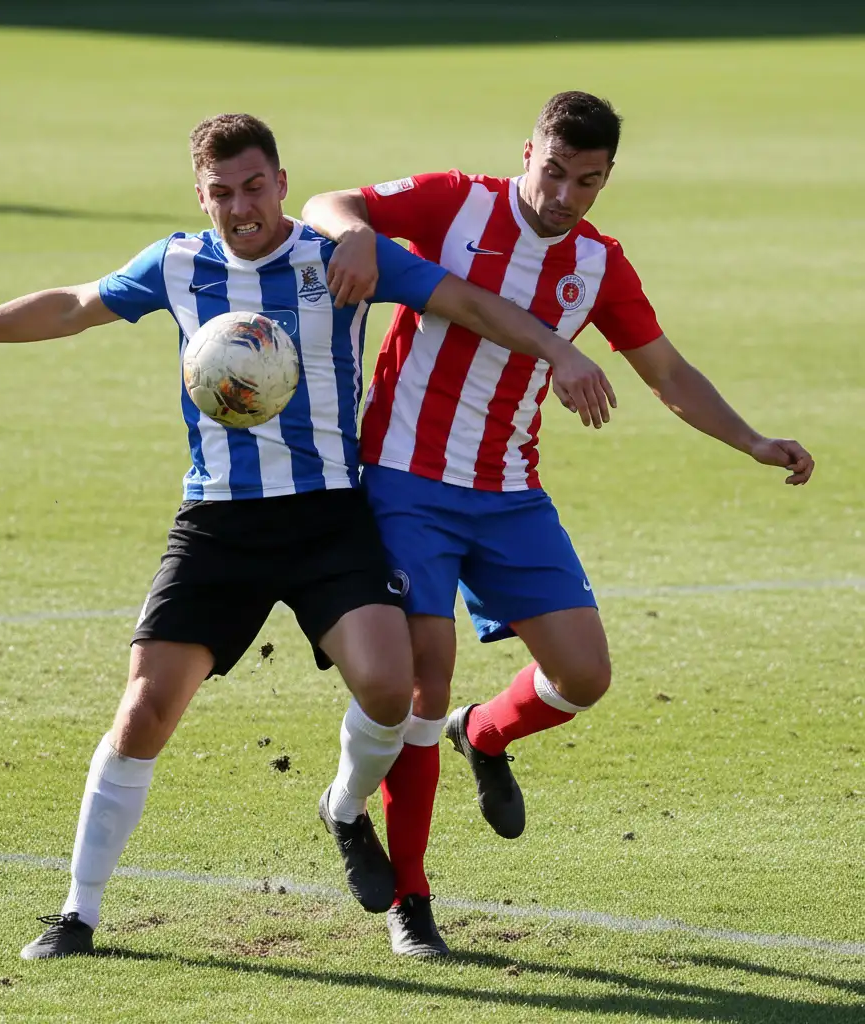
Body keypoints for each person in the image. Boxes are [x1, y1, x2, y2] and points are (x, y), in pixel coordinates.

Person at [0, 112, 615, 959]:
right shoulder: (180, 264)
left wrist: (557, 349)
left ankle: (341, 807)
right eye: (222, 192)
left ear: (282, 183)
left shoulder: (335, 260)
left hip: (329, 517)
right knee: (146, 708)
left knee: (390, 685)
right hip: (220, 521)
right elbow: (74, 305)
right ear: (202, 195)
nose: (241, 207)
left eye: (255, 186)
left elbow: (465, 303)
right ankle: (77, 914)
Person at [302, 90, 815, 957]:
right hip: (403, 485)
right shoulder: (453, 201)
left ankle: (486, 733)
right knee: (426, 682)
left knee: (583, 677)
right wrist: (352, 230)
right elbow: (327, 204)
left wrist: (753, 440)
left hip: (509, 493)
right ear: (527, 149)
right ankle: (412, 899)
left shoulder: (600, 264)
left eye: (590, 180)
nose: (567, 194)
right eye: (554, 170)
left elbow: (666, 371)